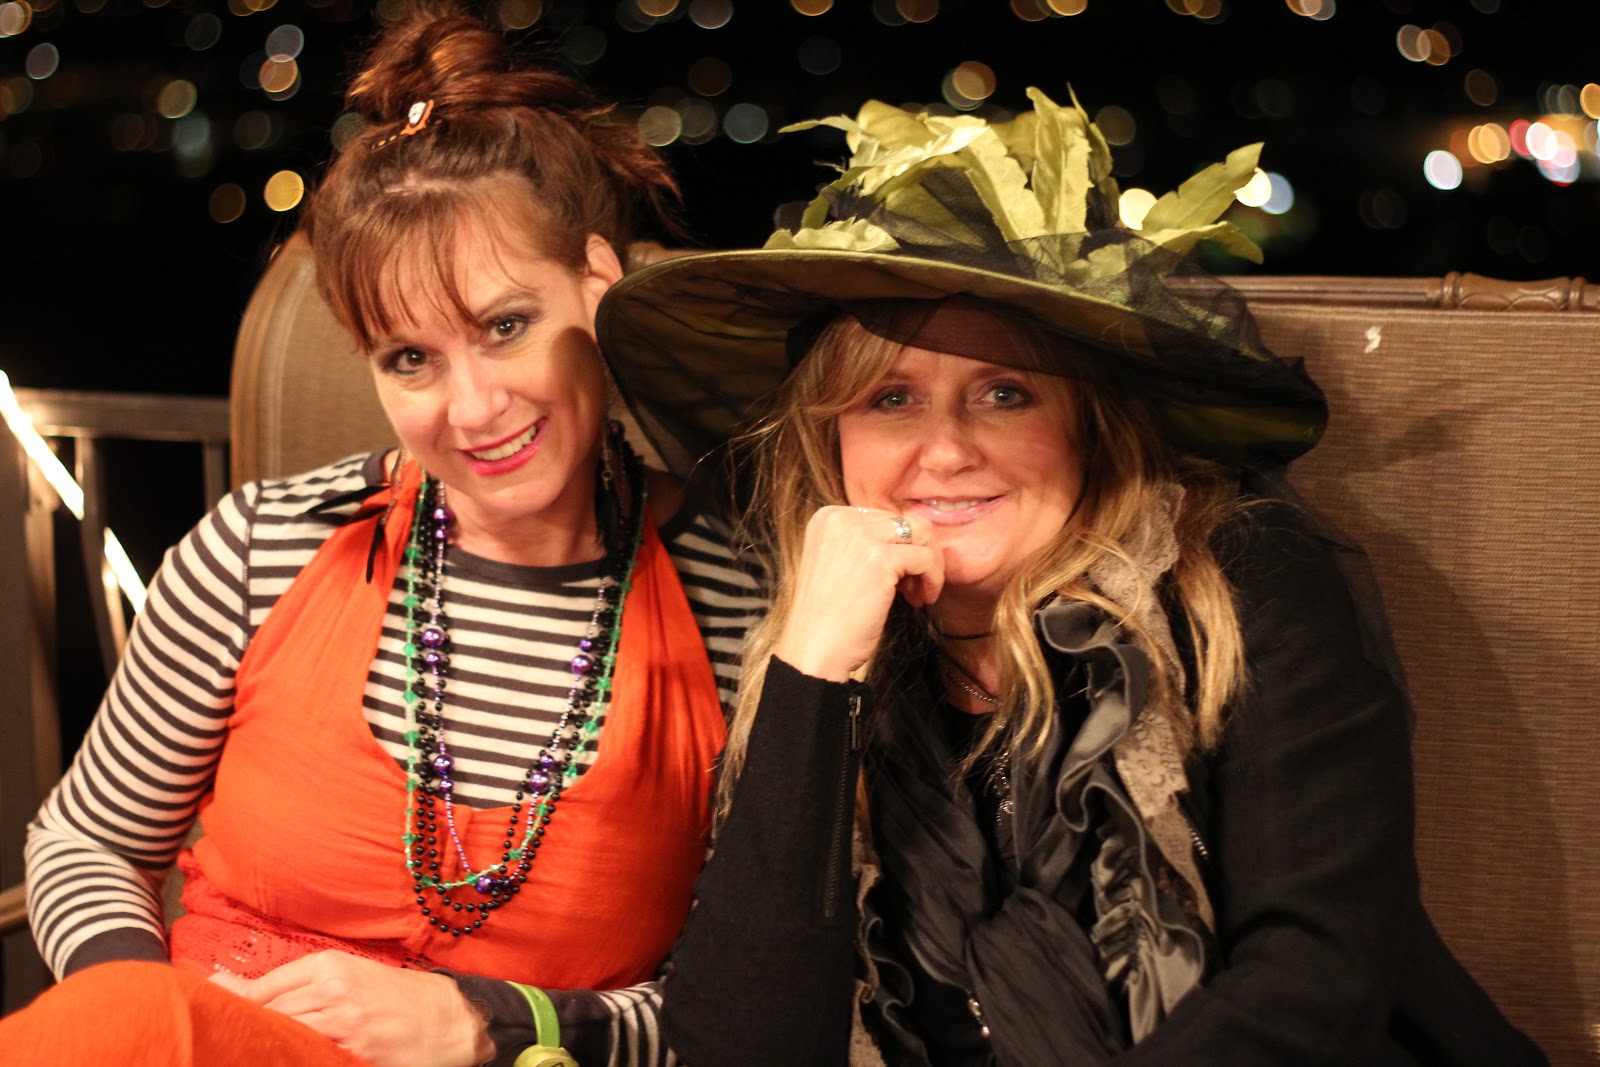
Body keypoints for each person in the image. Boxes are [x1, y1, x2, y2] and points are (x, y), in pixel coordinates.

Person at [595, 91, 1547, 1065]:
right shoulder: (826, 640)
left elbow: (1310, 982)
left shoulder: (1238, 581)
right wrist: (810, 674)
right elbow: (739, 1042)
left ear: (1086, 425)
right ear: (830, 437)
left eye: (1004, 393)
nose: (944, 450)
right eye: (891, 398)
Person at [8, 6, 762, 1066]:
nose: (474, 407)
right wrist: (140, 994)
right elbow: (86, 838)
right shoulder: (263, 547)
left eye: (506, 326)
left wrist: (488, 1021)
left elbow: (746, 1003)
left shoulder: (737, 606)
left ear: (600, 285)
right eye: (411, 358)